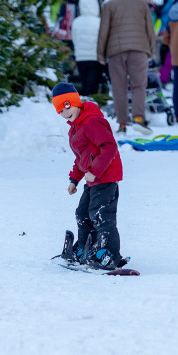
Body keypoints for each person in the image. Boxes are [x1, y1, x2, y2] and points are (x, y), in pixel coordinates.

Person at [52, 82, 126, 270]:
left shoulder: (92, 122)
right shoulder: (75, 129)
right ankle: (86, 248)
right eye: (60, 110)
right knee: (83, 214)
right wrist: (74, 179)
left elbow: (109, 147)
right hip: (93, 180)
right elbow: (81, 158)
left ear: (76, 103)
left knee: (101, 216)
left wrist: (95, 171)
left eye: (67, 106)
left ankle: (109, 254)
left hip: (106, 178)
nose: (65, 112)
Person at [97, 0, 157, 134]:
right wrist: (151, 51)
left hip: (116, 52)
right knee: (139, 86)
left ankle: (122, 124)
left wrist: (100, 55)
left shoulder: (109, 5)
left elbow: (103, 31)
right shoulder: (142, 4)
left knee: (119, 88)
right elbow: (150, 30)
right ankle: (138, 119)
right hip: (139, 50)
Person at [71, 0, 104, 95]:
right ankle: (92, 105)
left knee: (84, 83)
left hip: (80, 58)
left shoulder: (76, 22)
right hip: (94, 58)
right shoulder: (98, 22)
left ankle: (85, 104)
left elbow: (74, 39)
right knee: (93, 85)